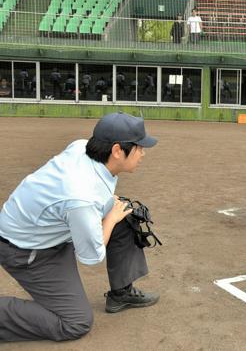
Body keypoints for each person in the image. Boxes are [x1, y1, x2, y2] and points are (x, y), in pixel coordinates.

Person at [0, 112, 160, 342]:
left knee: (125, 214)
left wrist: (111, 213)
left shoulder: (82, 146)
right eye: (139, 147)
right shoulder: (81, 197)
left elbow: (83, 194)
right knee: (75, 322)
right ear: (116, 150)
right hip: (26, 252)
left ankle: (121, 293)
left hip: (46, 230)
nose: (143, 153)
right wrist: (109, 218)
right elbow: (91, 256)